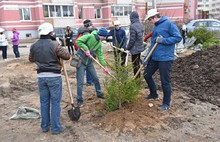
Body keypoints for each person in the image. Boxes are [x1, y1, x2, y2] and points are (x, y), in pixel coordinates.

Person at [29, 22, 70, 134]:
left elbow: (31, 59)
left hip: (41, 77)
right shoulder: (55, 44)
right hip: (54, 77)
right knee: (55, 102)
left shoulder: (34, 45)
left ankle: (45, 126)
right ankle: (56, 128)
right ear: (51, 32)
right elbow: (67, 56)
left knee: (44, 102)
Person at [144, 9, 182, 110]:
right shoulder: (156, 27)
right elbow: (153, 44)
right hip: (155, 56)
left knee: (165, 81)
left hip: (165, 58)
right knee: (146, 74)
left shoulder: (169, 24)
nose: (150, 21)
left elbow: (178, 37)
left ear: (154, 17)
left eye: (150, 19)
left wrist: (163, 40)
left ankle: (166, 104)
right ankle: (153, 94)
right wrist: (146, 58)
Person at [75, 27, 109, 106]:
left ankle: (99, 93)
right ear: (101, 35)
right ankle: (79, 100)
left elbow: (100, 56)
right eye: (104, 37)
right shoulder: (90, 36)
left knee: (96, 78)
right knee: (80, 82)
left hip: (89, 62)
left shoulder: (99, 43)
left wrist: (104, 66)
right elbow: (78, 41)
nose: (104, 38)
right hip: (81, 61)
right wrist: (86, 49)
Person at [77, 19, 97, 86]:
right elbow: (90, 46)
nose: (92, 26)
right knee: (88, 67)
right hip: (86, 54)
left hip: (81, 54)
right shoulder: (87, 34)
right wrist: (93, 54)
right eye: (91, 25)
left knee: (81, 68)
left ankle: (87, 81)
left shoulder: (81, 32)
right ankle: (89, 81)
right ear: (88, 26)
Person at [126, 11, 145, 79]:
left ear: (132, 18)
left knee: (135, 65)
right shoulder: (141, 25)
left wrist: (128, 47)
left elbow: (132, 40)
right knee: (138, 64)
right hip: (139, 48)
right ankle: (138, 78)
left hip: (134, 49)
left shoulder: (133, 26)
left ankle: (137, 80)